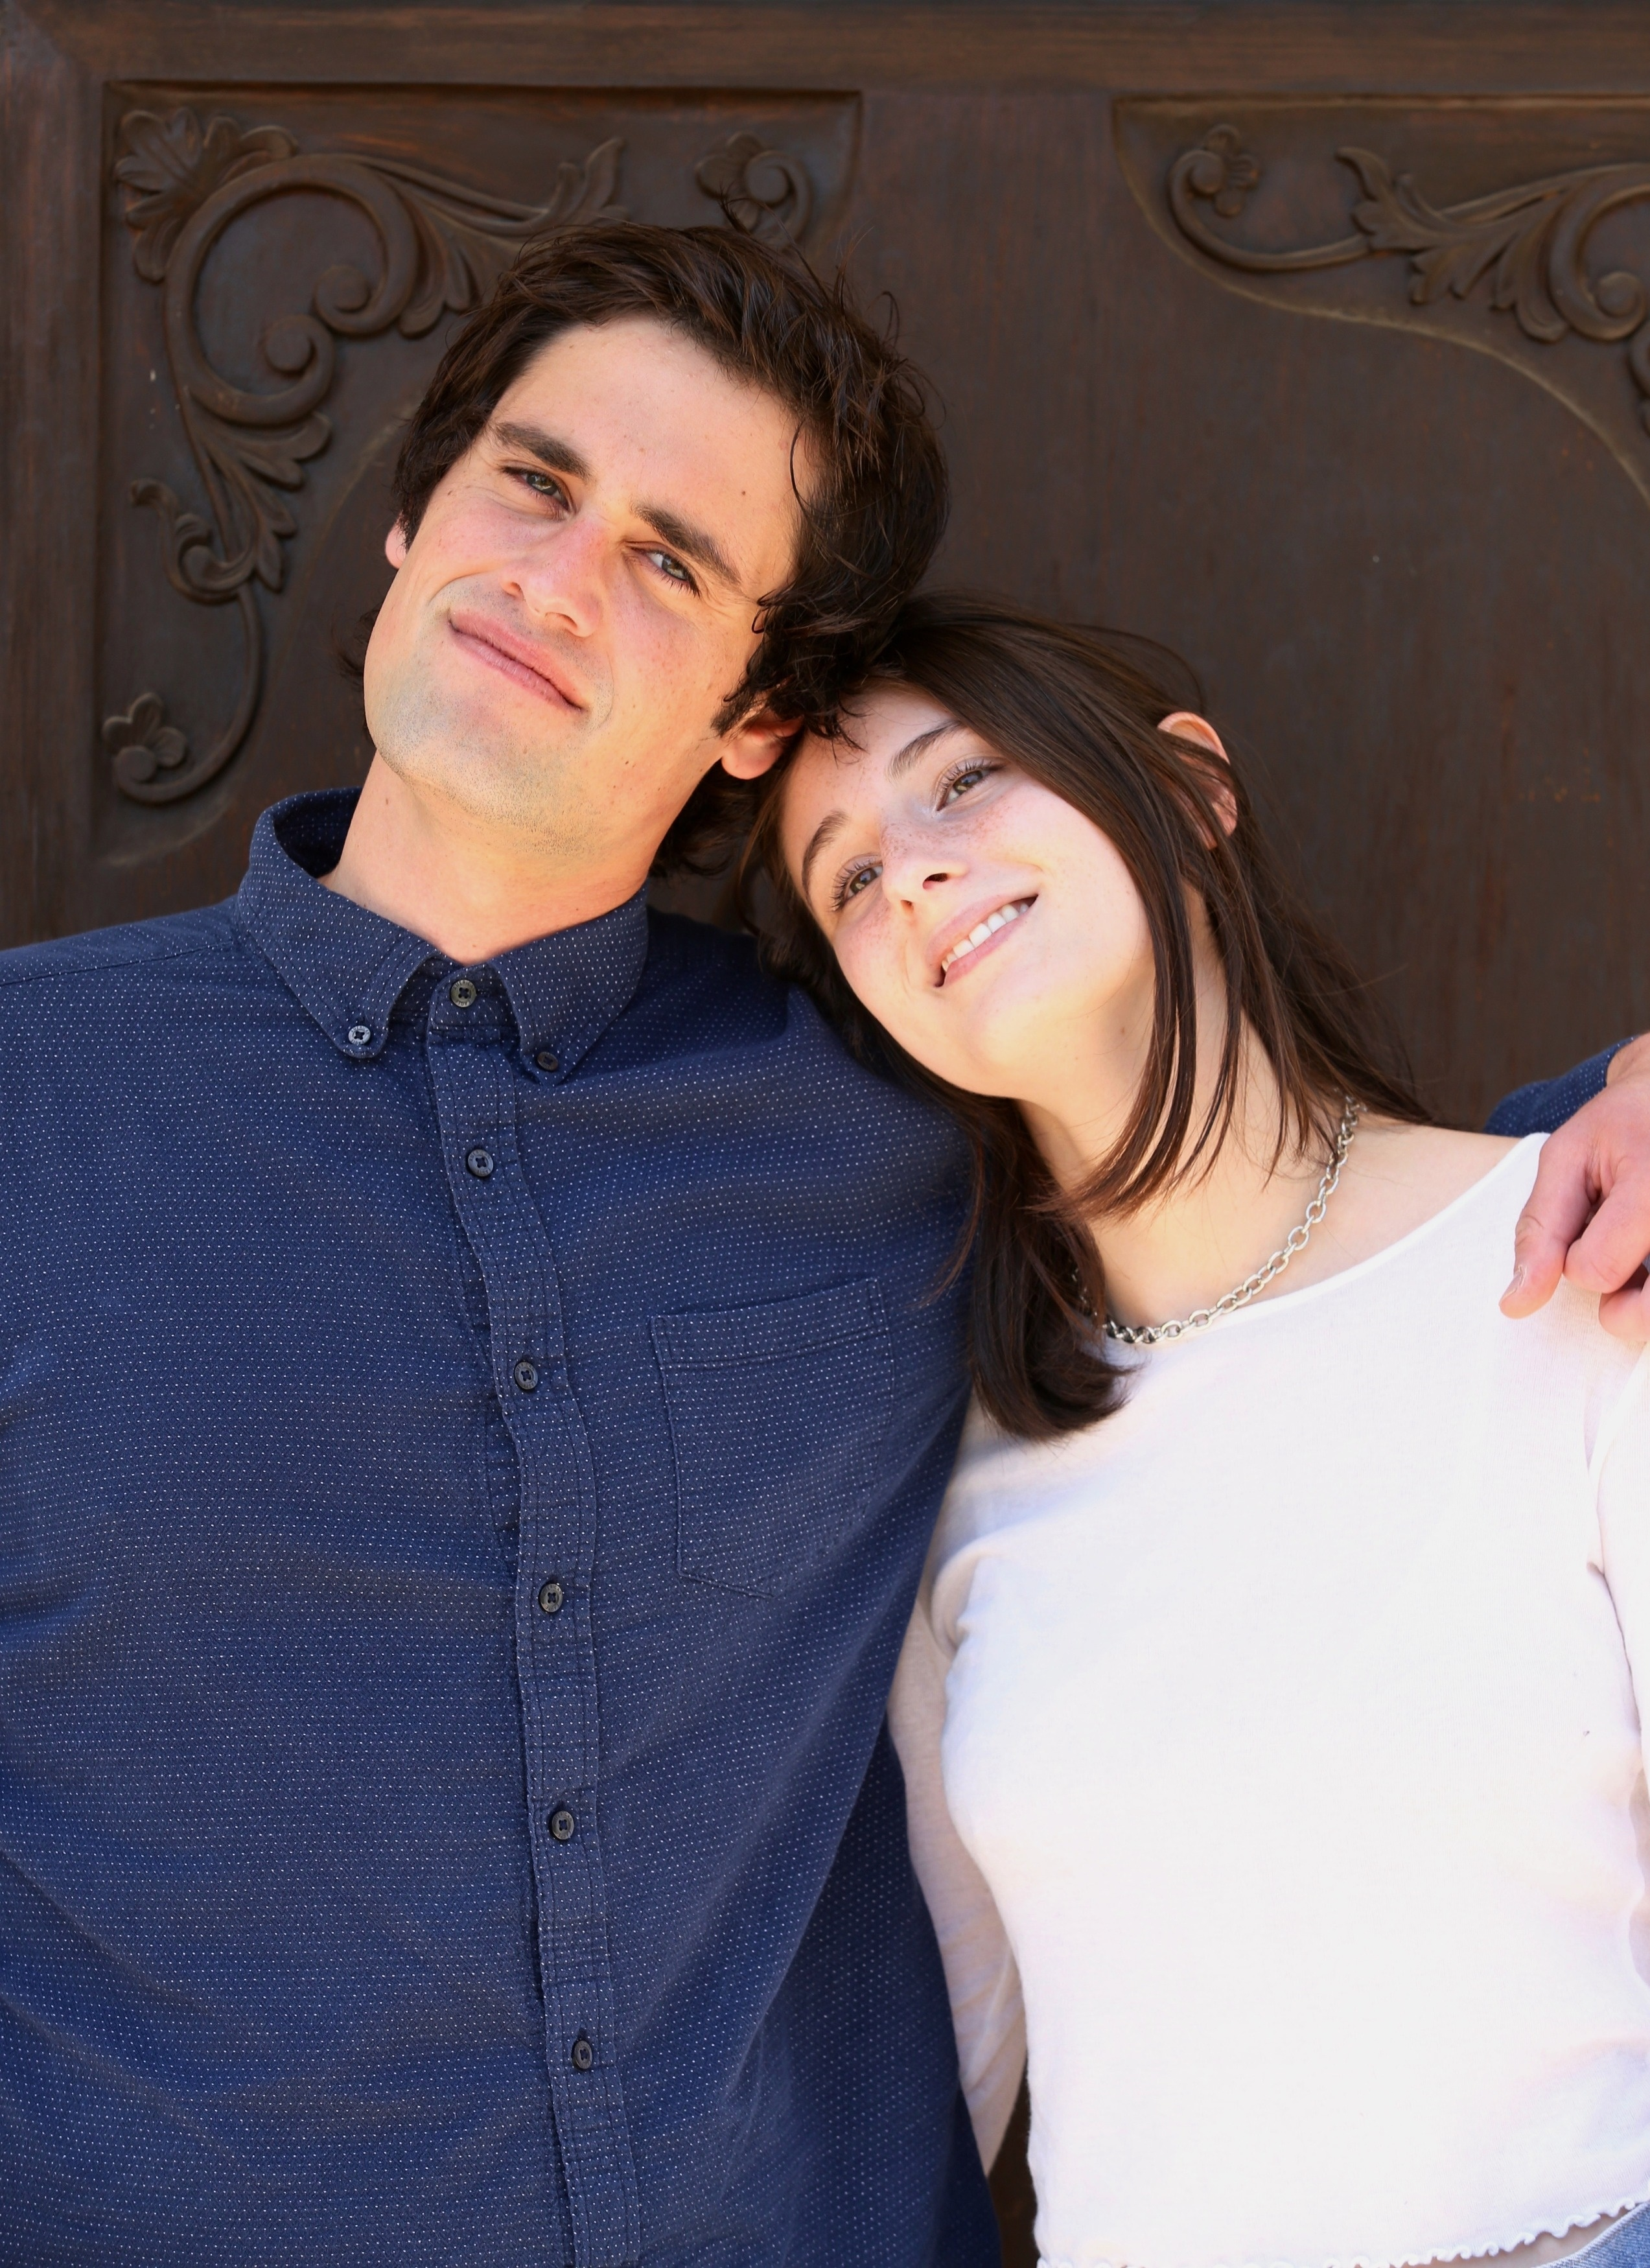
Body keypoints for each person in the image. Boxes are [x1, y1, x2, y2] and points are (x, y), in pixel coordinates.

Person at [0, 226, 1644, 2268]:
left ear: (762, 709)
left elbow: (1307, 1255)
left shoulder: (889, 1104)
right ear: (415, 520)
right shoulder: (27, 1102)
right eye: (534, 481)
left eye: (674, 559)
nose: (561, 577)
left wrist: (1613, 1106)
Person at [755, 591, 1650, 2268]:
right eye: (852, 877)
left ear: (1188, 795)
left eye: (961, 783)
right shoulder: (947, 1474)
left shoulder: (1585, 1262)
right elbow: (928, 2074)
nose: (918, 870)